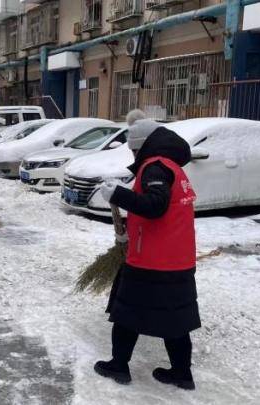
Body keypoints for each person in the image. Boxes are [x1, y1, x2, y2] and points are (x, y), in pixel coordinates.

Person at [93, 110, 200, 390]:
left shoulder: (154, 166)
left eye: (133, 151)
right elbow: (165, 211)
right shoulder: (172, 166)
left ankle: (118, 366)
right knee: (175, 319)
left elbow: (155, 206)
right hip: (177, 257)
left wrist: (117, 194)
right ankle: (181, 374)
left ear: (140, 147)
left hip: (152, 260)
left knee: (127, 314)